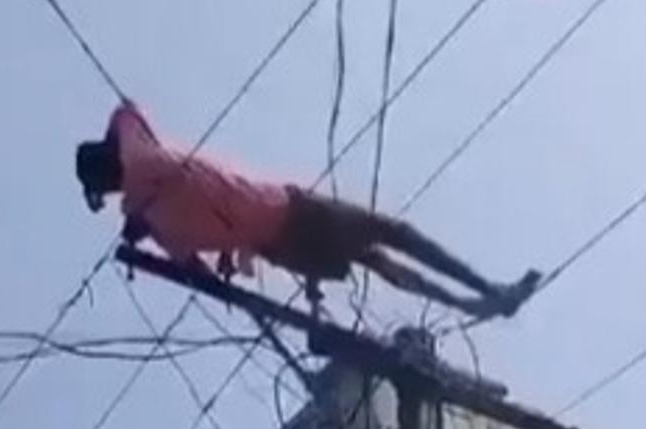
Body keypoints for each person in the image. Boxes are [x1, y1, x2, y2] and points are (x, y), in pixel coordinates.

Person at [75, 100, 540, 319]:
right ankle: (483, 292)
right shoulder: (139, 154)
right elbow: (124, 111)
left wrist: (141, 228)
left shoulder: (159, 226)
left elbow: (198, 275)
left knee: (375, 258)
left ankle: (472, 301)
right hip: (289, 210)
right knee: (395, 236)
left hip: (280, 245)